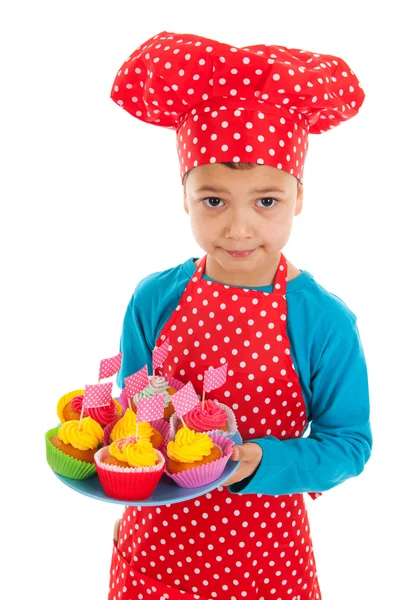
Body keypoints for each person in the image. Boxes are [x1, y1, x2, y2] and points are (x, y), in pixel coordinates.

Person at [107, 30, 372, 600]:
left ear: (299, 196)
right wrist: (118, 436)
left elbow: (348, 444)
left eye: (267, 200)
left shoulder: (322, 322)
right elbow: (135, 407)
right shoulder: (154, 299)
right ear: (185, 195)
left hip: (266, 562)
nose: (238, 227)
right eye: (214, 199)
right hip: (154, 554)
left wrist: (261, 460)